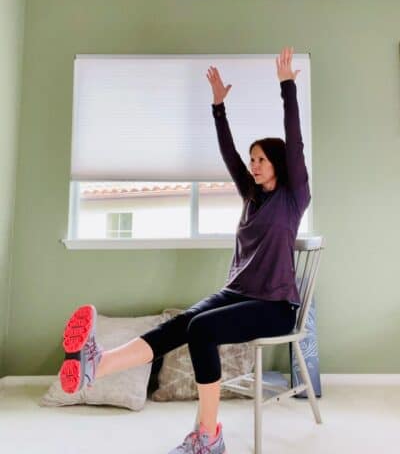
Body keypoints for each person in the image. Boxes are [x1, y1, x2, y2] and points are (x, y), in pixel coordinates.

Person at [59, 46, 310, 454]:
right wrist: (218, 107)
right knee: (181, 324)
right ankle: (98, 364)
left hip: (275, 305)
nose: (253, 164)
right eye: (252, 159)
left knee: (201, 328)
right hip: (238, 292)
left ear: (279, 163)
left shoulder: (294, 196)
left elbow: (295, 143)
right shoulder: (251, 196)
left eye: (261, 159)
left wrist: (287, 87)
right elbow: (228, 155)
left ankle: (209, 436)